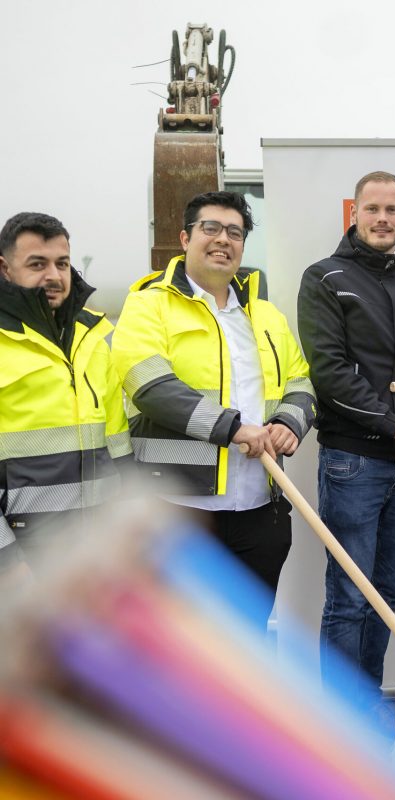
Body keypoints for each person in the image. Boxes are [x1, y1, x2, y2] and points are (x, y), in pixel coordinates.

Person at [112, 191, 315, 626]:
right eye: (211, 228)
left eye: (235, 232)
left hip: (261, 509)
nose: (223, 239)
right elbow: (150, 385)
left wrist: (288, 424)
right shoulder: (148, 304)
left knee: (247, 642)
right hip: (181, 511)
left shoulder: (264, 315)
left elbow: (300, 381)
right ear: (185, 238)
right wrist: (233, 427)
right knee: (181, 646)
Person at [297, 171, 395, 692]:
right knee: (349, 597)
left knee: (385, 593)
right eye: (373, 209)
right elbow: (329, 372)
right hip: (353, 464)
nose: (383, 219)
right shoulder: (324, 279)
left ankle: (366, 700)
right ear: (354, 214)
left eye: (393, 210)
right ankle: (342, 720)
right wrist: (392, 421)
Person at [0, 212, 131, 579]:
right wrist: (8, 562)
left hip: (99, 549)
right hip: (27, 556)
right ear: (5, 268)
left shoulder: (92, 336)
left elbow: (117, 442)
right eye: (37, 264)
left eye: (62, 263)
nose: (54, 276)